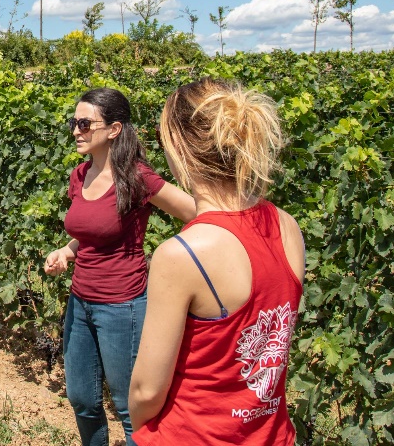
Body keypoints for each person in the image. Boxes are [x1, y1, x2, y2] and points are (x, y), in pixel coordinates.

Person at [128, 80, 304, 444]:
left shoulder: (183, 254)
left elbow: (147, 391)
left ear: (179, 149)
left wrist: (142, 429)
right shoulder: (286, 226)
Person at [44, 87, 196, 446]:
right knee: (82, 399)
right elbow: (92, 231)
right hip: (80, 302)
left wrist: (181, 263)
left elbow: (196, 213)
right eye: (73, 122)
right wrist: (67, 251)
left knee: (131, 409)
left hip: (123, 306)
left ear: (113, 130)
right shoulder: (80, 175)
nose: (76, 131)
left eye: (84, 123)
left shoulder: (137, 177)